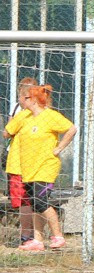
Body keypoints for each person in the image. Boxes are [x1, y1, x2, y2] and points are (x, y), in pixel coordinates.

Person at [3, 84, 76, 252]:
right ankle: (38, 240)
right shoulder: (24, 116)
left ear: (33, 99)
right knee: (35, 203)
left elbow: (71, 128)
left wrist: (60, 147)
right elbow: (7, 131)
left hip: (46, 167)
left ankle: (58, 235)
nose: (21, 101)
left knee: (40, 201)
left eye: (25, 98)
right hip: (28, 168)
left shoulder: (50, 116)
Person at [3, 77, 37, 247]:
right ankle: (34, 236)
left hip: (22, 162)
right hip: (23, 159)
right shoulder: (18, 109)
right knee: (36, 199)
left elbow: (7, 132)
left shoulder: (26, 113)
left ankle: (27, 236)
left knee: (26, 199)